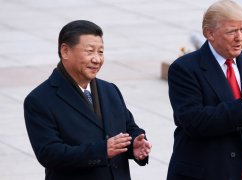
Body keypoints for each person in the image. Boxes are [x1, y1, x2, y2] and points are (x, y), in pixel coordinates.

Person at [166, 0, 242, 180]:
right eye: (231, 31)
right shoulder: (185, 69)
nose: (239, 37)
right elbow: (194, 122)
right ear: (210, 33)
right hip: (206, 173)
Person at [24, 20, 152, 180]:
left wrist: (135, 143)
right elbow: (50, 154)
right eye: (90, 51)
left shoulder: (109, 89)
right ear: (65, 51)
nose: (97, 59)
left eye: (101, 52)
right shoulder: (40, 99)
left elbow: (129, 127)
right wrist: (102, 151)